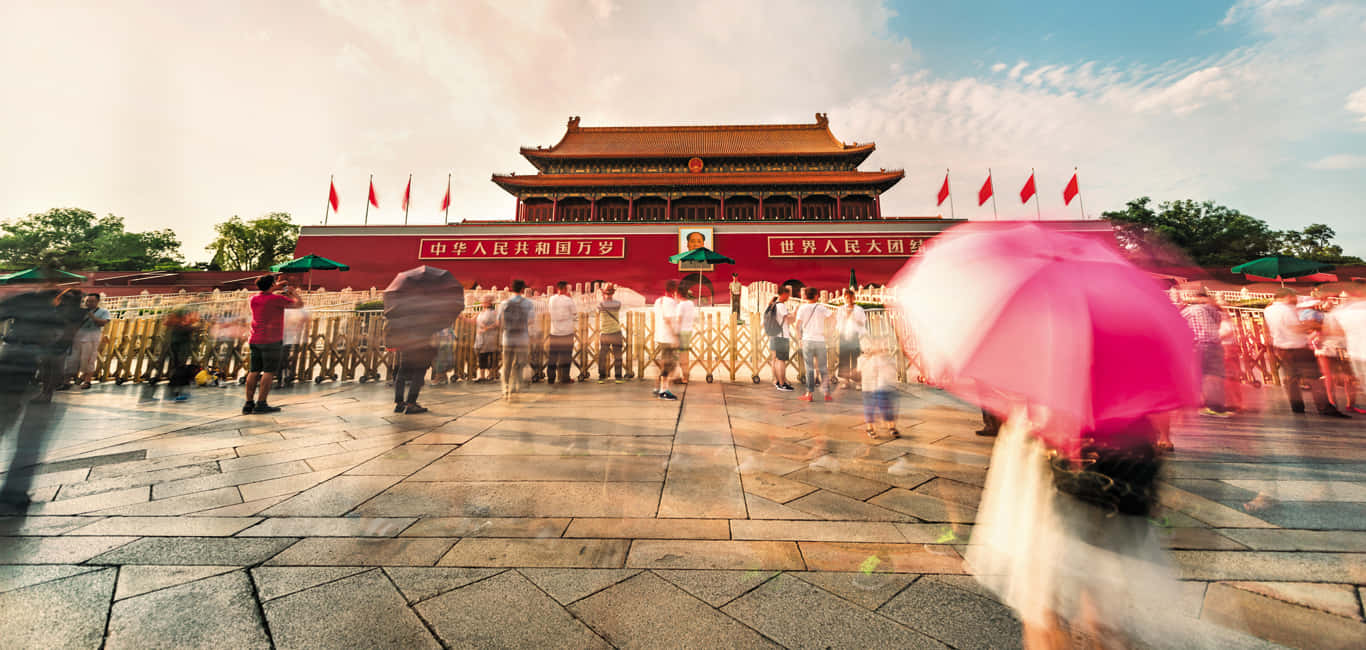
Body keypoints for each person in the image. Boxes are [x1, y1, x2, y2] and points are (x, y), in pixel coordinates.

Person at [1264, 288, 1344, 417]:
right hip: (1298, 346)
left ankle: (1297, 406)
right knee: (1314, 377)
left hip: (1281, 347)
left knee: (1291, 378)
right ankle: (1324, 407)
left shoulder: (1269, 310)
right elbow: (1294, 327)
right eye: (1294, 297)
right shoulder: (1287, 310)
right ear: (1288, 296)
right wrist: (1311, 326)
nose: (1296, 299)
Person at [243, 275, 299, 415]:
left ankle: (248, 403)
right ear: (272, 284)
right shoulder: (277, 299)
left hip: (255, 339)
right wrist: (293, 293)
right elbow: (299, 305)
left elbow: (266, 293)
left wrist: (275, 286)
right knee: (268, 371)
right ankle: (261, 403)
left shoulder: (253, 299)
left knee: (254, 371)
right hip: (271, 339)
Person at [1180, 290, 1231, 420]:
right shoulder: (1212, 310)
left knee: (1203, 376)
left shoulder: (1188, 311)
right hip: (1215, 344)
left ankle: (1206, 405)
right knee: (1215, 375)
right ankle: (1217, 407)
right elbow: (1219, 322)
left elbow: (1178, 324)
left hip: (1199, 345)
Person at [34, 289, 85, 403]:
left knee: (54, 367)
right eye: (65, 297)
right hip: (50, 339)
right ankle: (44, 391)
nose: (65, 299)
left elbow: (72, 328)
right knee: (46, 366)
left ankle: (48, 393)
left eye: (68, 297)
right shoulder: (57, 309)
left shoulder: (76, 312)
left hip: (61, 340)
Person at [1329, 284, 1366, 414]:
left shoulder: (1340, 310)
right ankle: (1350, 404)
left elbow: (1333, 332)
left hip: (1354, 353)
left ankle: (1350, 404)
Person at [794, 286, 833, 402]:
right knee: (823, 368)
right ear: (816, 296)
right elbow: (833, 317)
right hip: (820, 340)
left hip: (807, 340)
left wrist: (800, 339)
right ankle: (827, 393)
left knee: (809, 368)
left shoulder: (802, 308)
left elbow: (797, 326)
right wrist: (829, 332)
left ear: (805, 296)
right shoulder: (821, 308)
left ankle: (809, 394)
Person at [498, 279, 533, 400]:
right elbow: (531, 320)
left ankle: (505, 387)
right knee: (519, 363)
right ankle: (515, 386)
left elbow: (499, 322)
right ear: (523, 289)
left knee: (507, 364)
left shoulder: (504, 303)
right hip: (522, 338)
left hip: (507, 338)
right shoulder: (528, 303)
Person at [858, 339, 900, 439]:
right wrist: (870, 356)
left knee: (887, 407)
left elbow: (890, 370)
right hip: (867, 388)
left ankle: (891, 426)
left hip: (881, 387)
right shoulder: (862, 359)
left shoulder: (885, 358)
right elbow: (861, 369)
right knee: (869, 409)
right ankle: (870, 428)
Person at [161, 308, 199, 402]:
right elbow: (185, 328)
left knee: (178, 366)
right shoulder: (181, 316)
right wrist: (192, 326)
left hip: (178, 343)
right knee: (179, 366)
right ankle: (177, 389)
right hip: (179, 344)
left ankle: (177, 389)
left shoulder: (179, 316)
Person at [73, 294, 109, 389]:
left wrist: (91, 316)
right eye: (87, 301)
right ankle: (77, 377)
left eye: (92, 301)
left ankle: (87, 381)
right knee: (75, 359)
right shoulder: (81, 312)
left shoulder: (103, 311)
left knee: (89, 359)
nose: (89, 303)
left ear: (97, 302)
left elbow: (103, 323)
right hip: (79, 337)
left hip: (91, 338)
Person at [653, 280, 681, 400]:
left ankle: (657, 387)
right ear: (675, 290)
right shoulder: (671, 303)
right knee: (669, 365)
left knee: (664, 363)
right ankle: (664, 391)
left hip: (659, 336)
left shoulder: (658, 301)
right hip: (668, 337)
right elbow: (668, 320)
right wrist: (675, 336)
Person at [834, 288, 866, 389]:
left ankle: (858, 382)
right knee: (844, 358)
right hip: (844, 335)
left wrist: (853, 317)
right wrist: (845, 317)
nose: (849, 299)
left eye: (851, 297)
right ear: (844, 298)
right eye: (847, 298)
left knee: (856, 358)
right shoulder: (841, 309)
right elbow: (838, 323)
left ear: (854, 298)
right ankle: (845, 381)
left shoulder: (859, 309)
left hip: (855, 335)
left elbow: (863, 322)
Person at [546, 281, 577, 384]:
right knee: (566, 356)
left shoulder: (551, 299)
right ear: (565, 289)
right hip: (567, 332)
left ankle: (551, 378)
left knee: (553, 356)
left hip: (554, 331)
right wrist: (570, 298)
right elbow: (575, 313)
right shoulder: (568, 300)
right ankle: (564, 377)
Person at [767, 286, 795, 391]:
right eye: (788, 294)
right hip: (781, 336)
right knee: (781, 360)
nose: (789, 297)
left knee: (774, 359)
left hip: (773, 335)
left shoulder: (773, 304)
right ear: (783, 294)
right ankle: (782, 384)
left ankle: (776, 381)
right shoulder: (781, 306)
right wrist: (795, 313)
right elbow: (789, 320)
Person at [597, 285, 625, 384]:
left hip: (605, 333)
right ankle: (618, 377)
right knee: (618, 355)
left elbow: (600, 308)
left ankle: (602, 377)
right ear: (613, 293)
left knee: (602, 356)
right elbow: (611, 304)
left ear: (605, 293)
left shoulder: (600, 304)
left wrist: (603, 295)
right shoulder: (618, 303)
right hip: (616, 332)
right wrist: (605, 295)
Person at [277, 303, 309, 387]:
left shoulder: (290, 311)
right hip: (279, 337)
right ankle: (283, 378)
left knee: (283, 358)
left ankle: (284, 378)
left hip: (287, 337)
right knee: (281, 359)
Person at [474, 294, 500, 382]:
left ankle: (491, 374)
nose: (482, 303)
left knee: (490, 355)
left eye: (484, 301)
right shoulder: (481, 312)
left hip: (490, 337)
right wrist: (461, 317)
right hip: (481, 336)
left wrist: (486, 328)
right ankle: (482, 376)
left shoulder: (494, 312)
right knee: (482, 356)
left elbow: (498, 323)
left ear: (489, 302)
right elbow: (473, 320)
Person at [676, 287, 697, 384]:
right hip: (689, 330)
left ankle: (685, 377)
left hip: (682, 332)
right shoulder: (690, 303)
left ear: (679, 294)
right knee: (685, 354)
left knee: (682, 355)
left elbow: (679, 320)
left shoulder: (681, 305)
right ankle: (685, 375)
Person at [528, 289, 547, 382]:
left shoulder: (526, 303)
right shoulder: (542, 303)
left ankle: (535, 372)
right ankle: (537, 372)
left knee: (533, 353)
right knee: (537, 352)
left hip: (532, 331)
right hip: (538, 330)